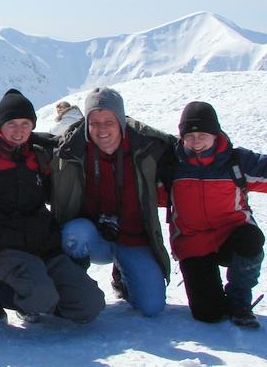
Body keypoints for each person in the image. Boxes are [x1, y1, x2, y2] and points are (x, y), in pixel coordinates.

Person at [0, 89, 105, 326]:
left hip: (44, 245)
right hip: (3, 248)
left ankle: (33, 296)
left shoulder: (37, 152)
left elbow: (67, 156)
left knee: (90, 304)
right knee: (41, 297)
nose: (19, 131)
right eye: (11, 124)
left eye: (25, 124)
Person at [168, 101, 267, 328]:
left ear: (215, 134)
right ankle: (213, 297)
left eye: (203, 134)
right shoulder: (171, 165)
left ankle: (239, 300)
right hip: (193, 243)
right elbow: (141, 193)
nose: (196, 141)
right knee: (208, 314)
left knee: (251, 239)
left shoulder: (235, 161)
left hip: (230, 235)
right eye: (189, 136)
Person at [48, 87, 175, 317]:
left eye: (109, 121)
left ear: (121, 121)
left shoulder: (148, 147)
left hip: (134, 239)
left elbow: (193, 152)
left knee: (152, 307)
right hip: (93, 236)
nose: (101, 129)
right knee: (73, 234)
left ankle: (124, 278)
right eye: (94, 122)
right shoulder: (71, 150)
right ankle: (75, 290)